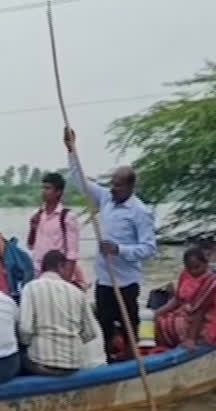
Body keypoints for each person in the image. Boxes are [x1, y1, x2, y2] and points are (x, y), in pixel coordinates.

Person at [64, 128, 157, 362]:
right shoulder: (106, 198)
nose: (113, 189)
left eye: (118, 186)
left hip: (125, 280)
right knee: (104, 321)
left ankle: (133, 359)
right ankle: (108, 359)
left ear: (130, 187)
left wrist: (119, 250)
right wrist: (71, 150)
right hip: (105, 279)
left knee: (129, 323)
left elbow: (149, 248)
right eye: (112, 184)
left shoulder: (140, 212)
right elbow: (80, 181)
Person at [19, 250, 97, 376]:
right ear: (61, 266)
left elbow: (25, 329)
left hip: (41, 363)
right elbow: (90, 333)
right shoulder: (77, 293)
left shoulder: (31, 288)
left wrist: (29, 343)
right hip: (73, 364)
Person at [27, 172, 86, 289]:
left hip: (58, 273)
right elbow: (30, 245)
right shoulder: (38, 215)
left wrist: (66, 283)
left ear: (58, 192)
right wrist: (33, 228)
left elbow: (72, 254)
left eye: (48, 188)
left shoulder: (67, 217)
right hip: (39, 273)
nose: (43, 191)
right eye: (43, 188)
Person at [155, 247, 216, 349]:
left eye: (197, 267)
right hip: (186, 312)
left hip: (206, 318)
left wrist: (190, 339)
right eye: (189, 268)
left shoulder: (211, 282)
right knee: (158, 321)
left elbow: (200, 311)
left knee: (173, 325)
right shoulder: (185, 274)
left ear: (206, 264)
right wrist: (157, 313)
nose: (193, 271)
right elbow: (177, 299)